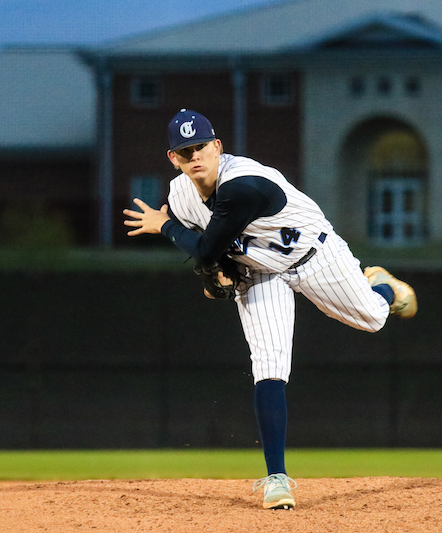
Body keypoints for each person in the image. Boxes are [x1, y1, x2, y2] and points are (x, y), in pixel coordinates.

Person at [123, 109, 417, 510]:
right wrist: (217, 275)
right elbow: (210, 257)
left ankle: (383, 285)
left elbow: (206, 246)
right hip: (260, 274)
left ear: (217, 147)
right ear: (172, 158)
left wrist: (165, 227)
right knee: (269, 365)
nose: (195, 157)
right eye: (184, 151)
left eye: (201, 147)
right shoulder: (181, 196)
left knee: (373, 318)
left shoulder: (243, 183)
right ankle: (277, 479)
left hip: (313, 254)